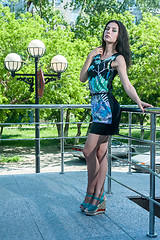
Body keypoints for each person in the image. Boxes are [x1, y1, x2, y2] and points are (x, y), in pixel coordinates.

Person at [79, 20, 153, 216]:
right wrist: (89, 57)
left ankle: (91, 195)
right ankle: (98, 198)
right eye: (107, 29)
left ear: (119, 36)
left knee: (88, 151)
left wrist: (138, 100)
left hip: (107, 108)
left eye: (113, 30)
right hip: (95, 107)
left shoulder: (118, 58)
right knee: (100, 153)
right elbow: (82, 78)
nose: (108, 32)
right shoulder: (95, 53)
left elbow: (127, 84)